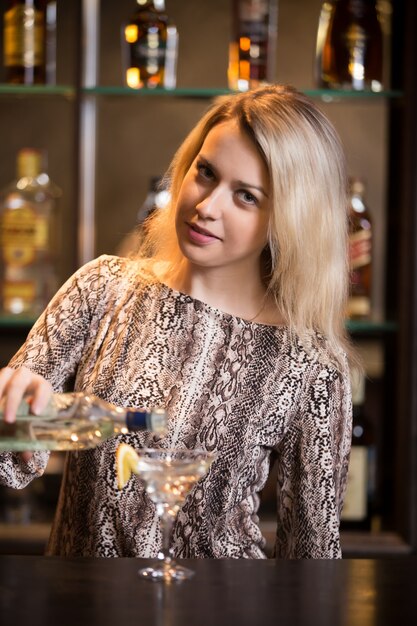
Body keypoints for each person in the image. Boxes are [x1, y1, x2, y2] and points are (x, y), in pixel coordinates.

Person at [0, 84, 353, 559]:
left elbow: (314, 557)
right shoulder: (102, 288)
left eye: (246, 196)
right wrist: (11, 413)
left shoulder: (311, 364)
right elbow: (12, 463)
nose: (207, 206)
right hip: (80, 604)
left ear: (288, 218)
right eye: (205, 172)